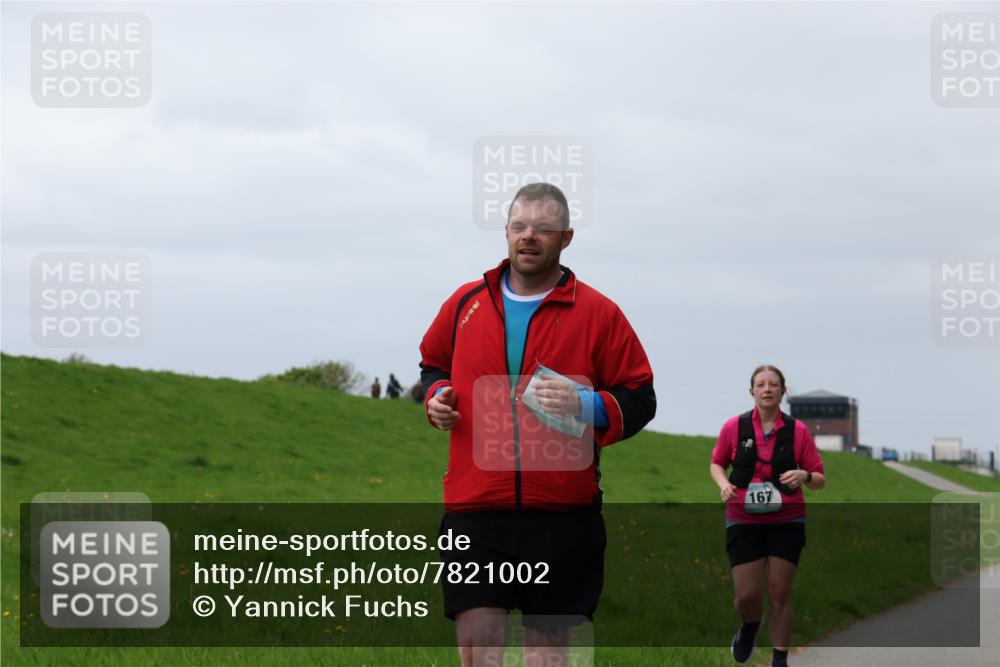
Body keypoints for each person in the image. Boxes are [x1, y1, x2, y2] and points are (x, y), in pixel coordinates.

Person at [419, 182, 656, 667]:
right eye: (519, 226)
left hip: (563, 518)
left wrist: (585, 404)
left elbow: (640, 399)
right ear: (506, 232)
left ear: (566, 237)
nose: (529, 237)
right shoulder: (466, 303)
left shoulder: (600, 313)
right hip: (475, 510)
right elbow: (432, 365)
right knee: (478, 652)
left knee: (546, 659)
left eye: (543, 228)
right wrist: (436, 396)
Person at [709, 365, 826, 667]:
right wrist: (723, 485)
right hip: (743, 518)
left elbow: (820, 479)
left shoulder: (798, 431)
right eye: (761, 384)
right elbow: (717, 463)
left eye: (774, 384)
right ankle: (750, 627)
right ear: (752, 392)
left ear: (783, 391)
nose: (767, 389)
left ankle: (779, 659)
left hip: (787, 518)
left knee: (779, 591)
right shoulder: (733, 427)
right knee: (747, 596)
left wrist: (804, 475)